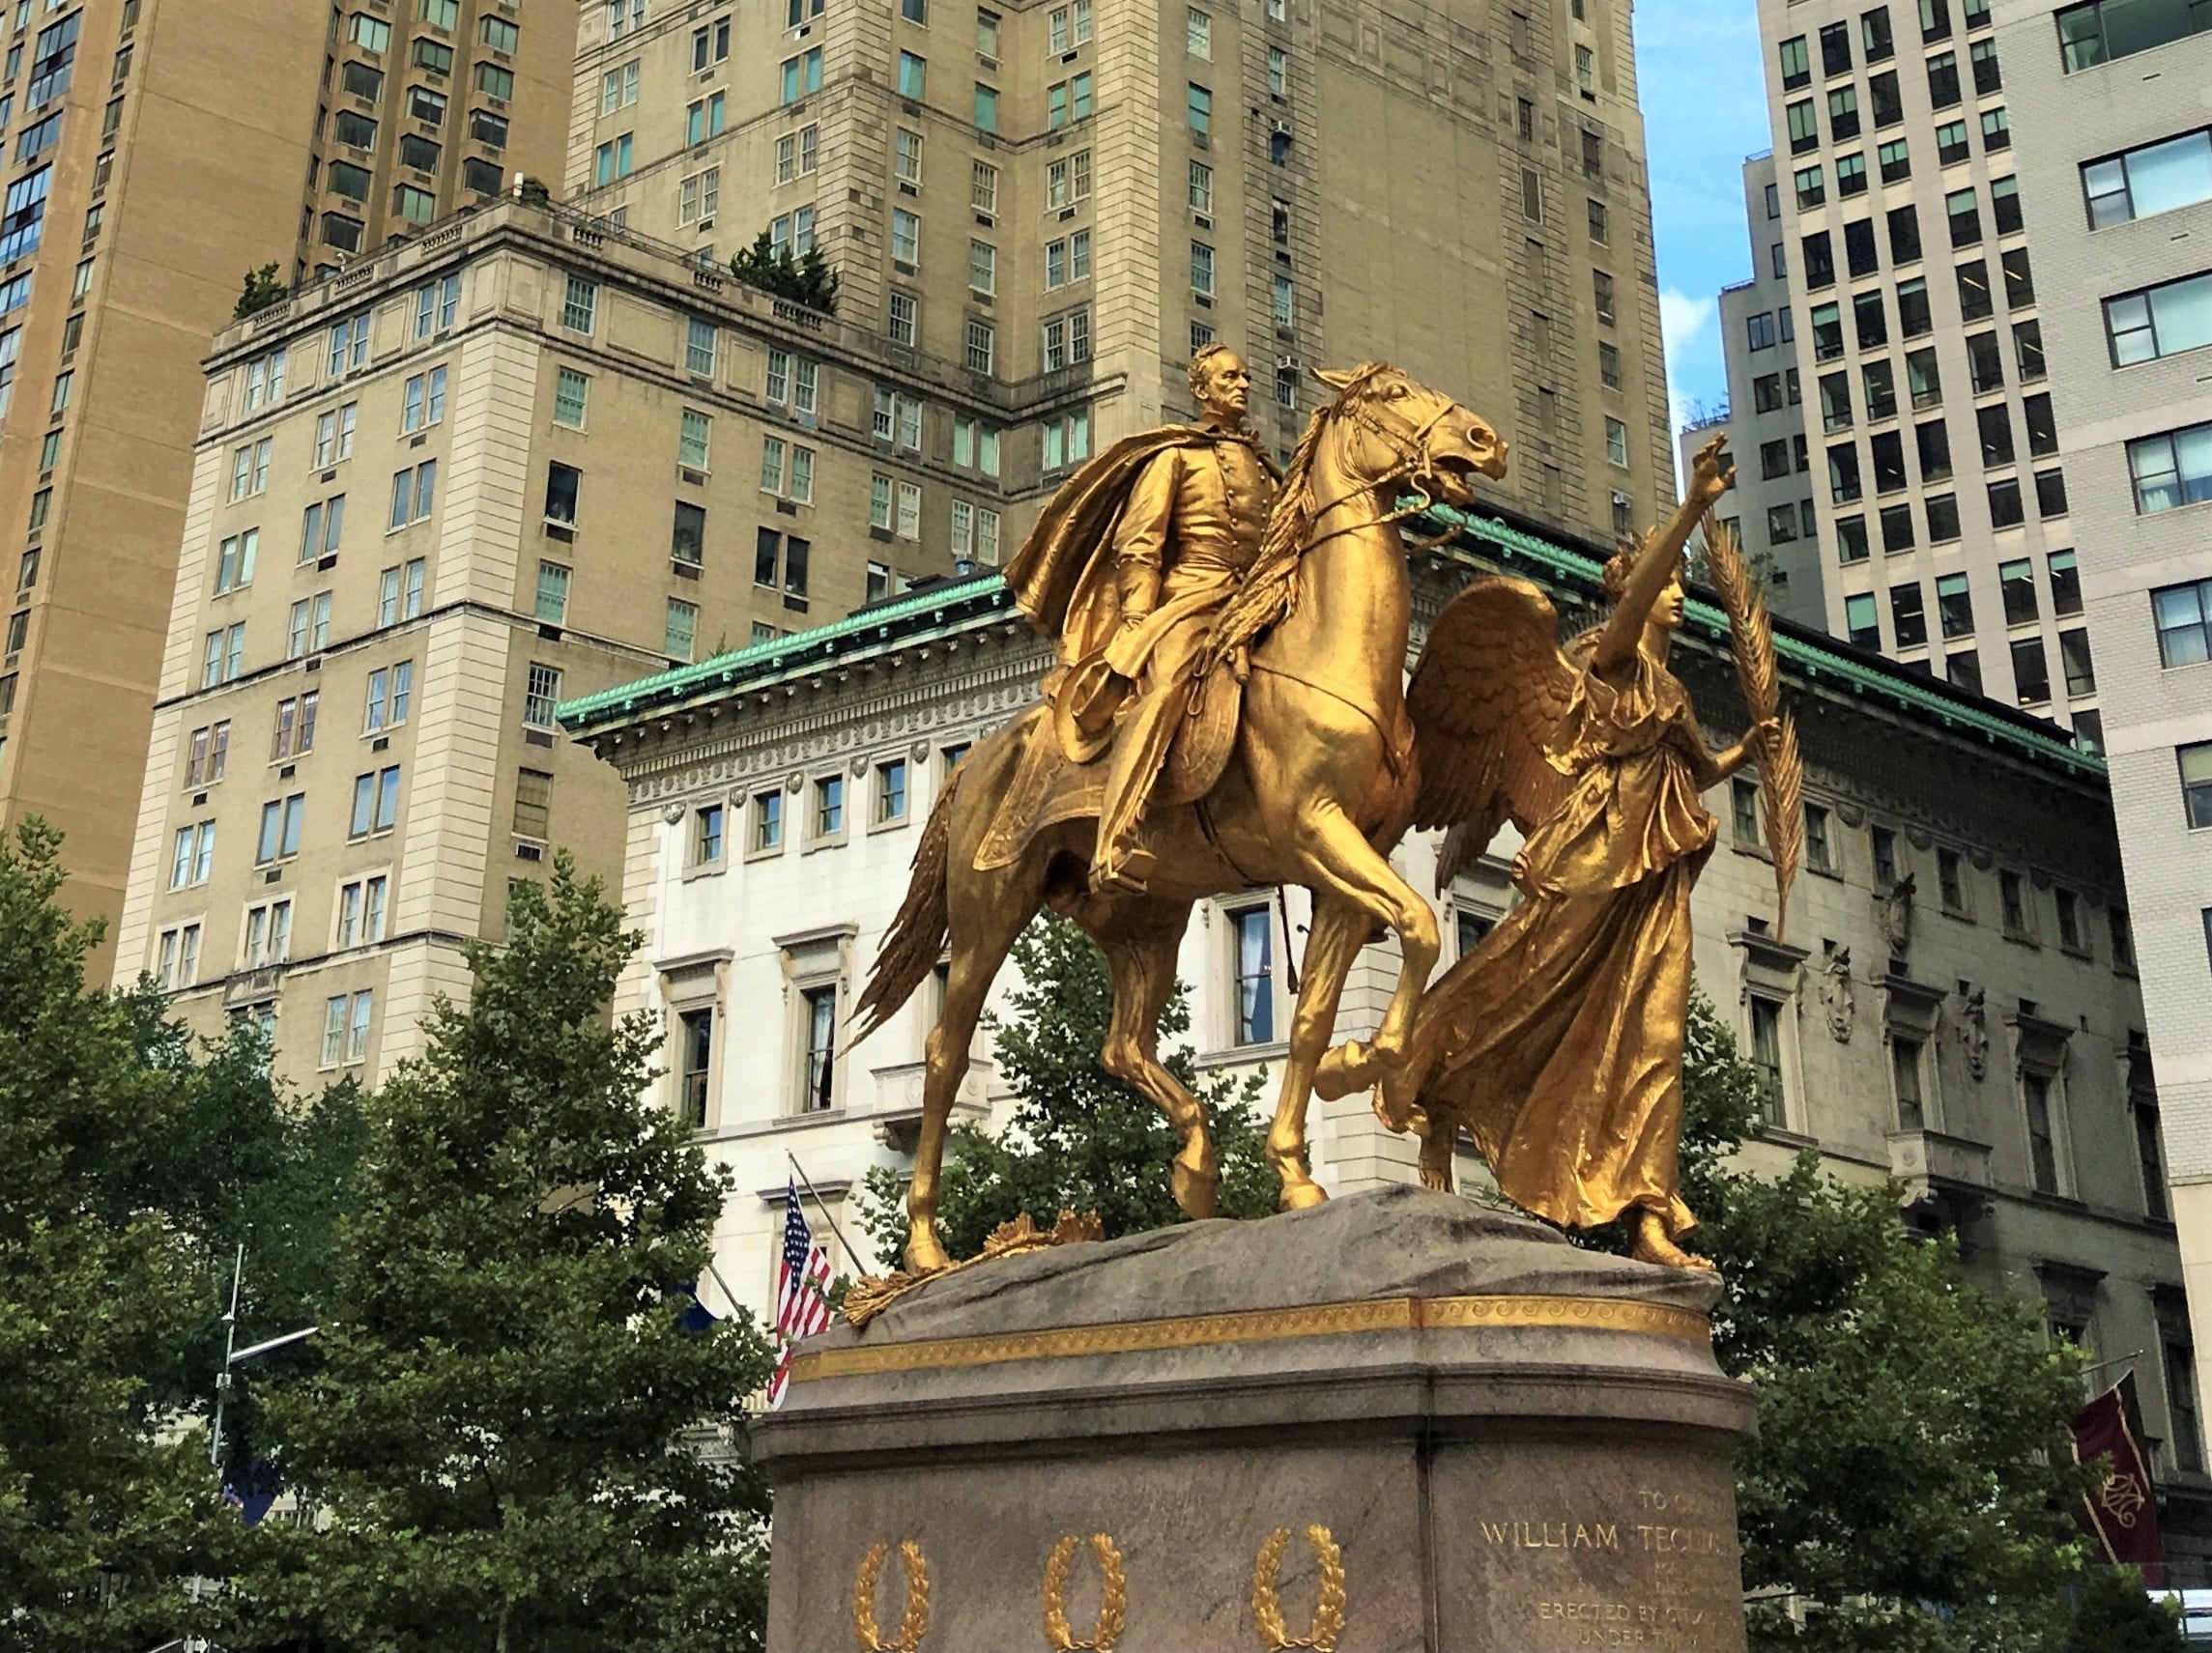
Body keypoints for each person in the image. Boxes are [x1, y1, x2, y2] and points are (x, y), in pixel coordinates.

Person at [1327, 435, 1772, 1268]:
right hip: (1589, 868)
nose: (1673, 598)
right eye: (1664, 585)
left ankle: (1645, 1212)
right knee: (1513, 986)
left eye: (1678, 587)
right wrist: (1693, 508)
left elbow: (1696, 769)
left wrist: (1747, 752)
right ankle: (1425, 1080)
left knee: (1653, 1035)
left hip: (1654, 880)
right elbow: (1633, 611)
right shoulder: (1605, 664)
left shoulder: (1671, 692)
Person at [998, 346, 1278, 894]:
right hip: (1189, 599)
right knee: (1168, 691)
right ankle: (1117, 834)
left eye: (1246, 375)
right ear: (1201, 390)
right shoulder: (1175, 456)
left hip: (1254, 602)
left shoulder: (1269, 471)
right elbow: (1139, 543)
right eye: (1230, 376)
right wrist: (1135, 617)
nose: (1242, 384)